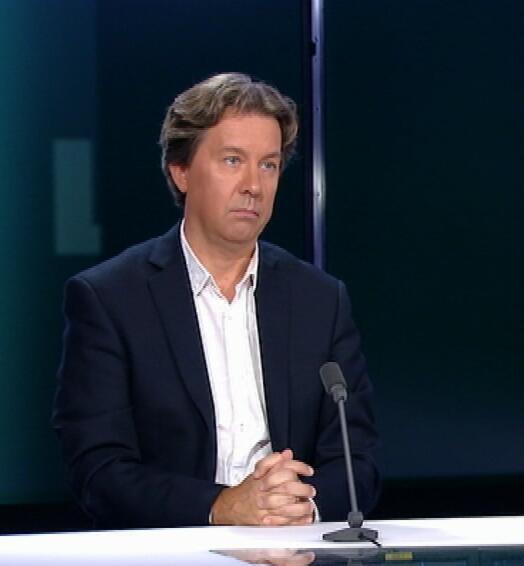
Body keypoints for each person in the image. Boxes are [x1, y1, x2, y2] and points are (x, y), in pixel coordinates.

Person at [52, 73, 379, 528]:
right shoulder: (110, 298)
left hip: (297, 545)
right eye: (232, 160)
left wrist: (301, 506)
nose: (254, 185)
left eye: (269, 165)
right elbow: (98, 470)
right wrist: (222, 506)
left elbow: (357, 459)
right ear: (180, 171)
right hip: (175, 549)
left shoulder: (320, 299)